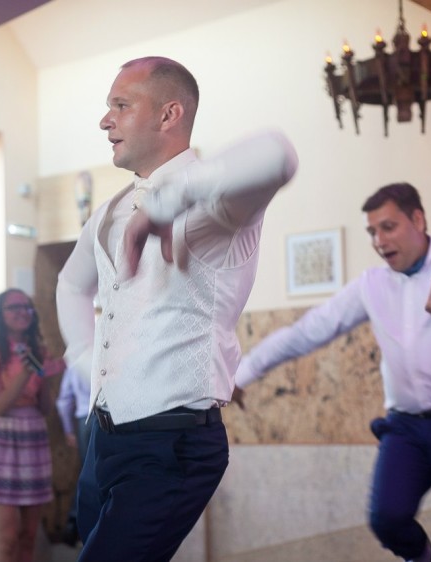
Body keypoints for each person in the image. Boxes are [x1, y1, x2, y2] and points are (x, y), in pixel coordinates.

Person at [56, 55, 298, 561]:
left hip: (172, 441)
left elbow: (277, 154)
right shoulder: (108, 211)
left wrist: (166, 203)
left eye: (121, 106)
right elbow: (72, 284)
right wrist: (85, 361)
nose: (104, 121)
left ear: (169, 115)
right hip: (103, 440)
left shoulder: (218, 202)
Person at [233, 183, 431, 562]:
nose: (379, 241)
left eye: (388, 227)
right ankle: (421, 556)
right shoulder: (372, 285)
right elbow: (308, 331)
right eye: (372, 232)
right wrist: (242, 374)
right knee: (386, 519)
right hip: (407, 430)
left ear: (418, 220)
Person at [0, 288, 65, 562]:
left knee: (28, 537)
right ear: (0, 315)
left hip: (33, 434)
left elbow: (45, 408)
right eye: (14, 307)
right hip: (1, 437)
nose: (22, 312)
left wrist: (44, 376)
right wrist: (27, 372)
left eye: (26, 307)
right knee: (7, 538)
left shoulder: (39, 351)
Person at [54, 363, 92, 546]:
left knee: (88, 472)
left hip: (85, 419)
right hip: (113, 417)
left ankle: (75, 522)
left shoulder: (76, 360)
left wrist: (69, 430)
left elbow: (64, 400)